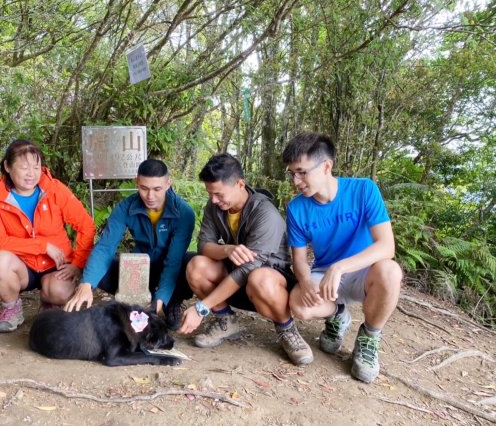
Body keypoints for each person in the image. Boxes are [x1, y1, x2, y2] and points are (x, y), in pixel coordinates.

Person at [282, 131, 402, 383]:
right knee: (299, 305)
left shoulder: (363, 190)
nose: (296, 180)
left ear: (326, 166)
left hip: (364, 272)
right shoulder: (296, 208)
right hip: (324, 274)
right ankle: (338, 314)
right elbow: (300, 260)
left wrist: (340, 267)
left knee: (390, 271)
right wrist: (305, 282)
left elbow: (386, 246)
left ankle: (369, 336)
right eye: (292, 173)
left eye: (302, 172)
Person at [178, 153, 312, 365]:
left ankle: (287, 329)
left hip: (269, 286)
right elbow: (204, 245)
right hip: (234, 279)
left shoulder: (265, 213)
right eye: (210, 194)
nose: (214, 200)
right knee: (196, 265)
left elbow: (249, 269)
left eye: (219, 194)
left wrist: (201, 308)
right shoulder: (215, 207)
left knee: (260, 277)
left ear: (240, 184)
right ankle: (226, 320)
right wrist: (227, 250)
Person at [64, 159, 195, 330]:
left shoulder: (184, 213)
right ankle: (133, 301)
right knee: (102, 267)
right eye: (144, 188)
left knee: (191, 262)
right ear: (137, 182)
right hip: (140, 266)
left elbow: (173, 262)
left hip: (169, 267)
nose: (150, 196)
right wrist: (86, 283)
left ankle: (171, 301)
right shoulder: (126, 207)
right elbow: (106, 247)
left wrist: (159, 300)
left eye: (157, 189)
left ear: (168, 184)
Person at [0, 139, 96, 333]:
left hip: (56, 264)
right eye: (24, 167)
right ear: (7, 166)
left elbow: (86, 225)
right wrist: (42, 246)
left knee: (60, 292)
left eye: (36, 167)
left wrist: (77, 264)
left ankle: (48, 302)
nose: (31, 174)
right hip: (22, 265)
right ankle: (12, 309)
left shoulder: (55, 190)